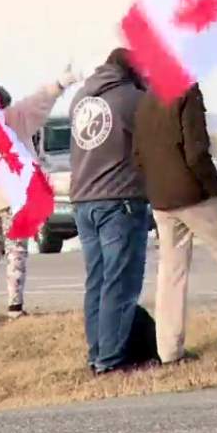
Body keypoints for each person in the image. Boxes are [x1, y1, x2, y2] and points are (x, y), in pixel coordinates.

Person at [135, 82, 217, 364]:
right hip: (192, 193)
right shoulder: (186, 92)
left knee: (172, 271)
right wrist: (212, 187)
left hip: (161, 198)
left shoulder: (146, 99)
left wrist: (154, 187)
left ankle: (168, 350)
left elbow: (137, 156)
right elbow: (196, 149)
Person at [0, 69, 78, 329]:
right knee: (16, 251)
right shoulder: (12, 118)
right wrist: (59, 83)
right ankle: (14, 306)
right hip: (14, 197)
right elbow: (39, 101)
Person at [69, 48, 151, 374]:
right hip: (120, 199)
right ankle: (111, 360)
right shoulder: (131, 98)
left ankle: (96, 354)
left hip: (83, 200)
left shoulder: (80, 98)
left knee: (97, 281)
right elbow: (153, 140)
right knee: (120, 283)